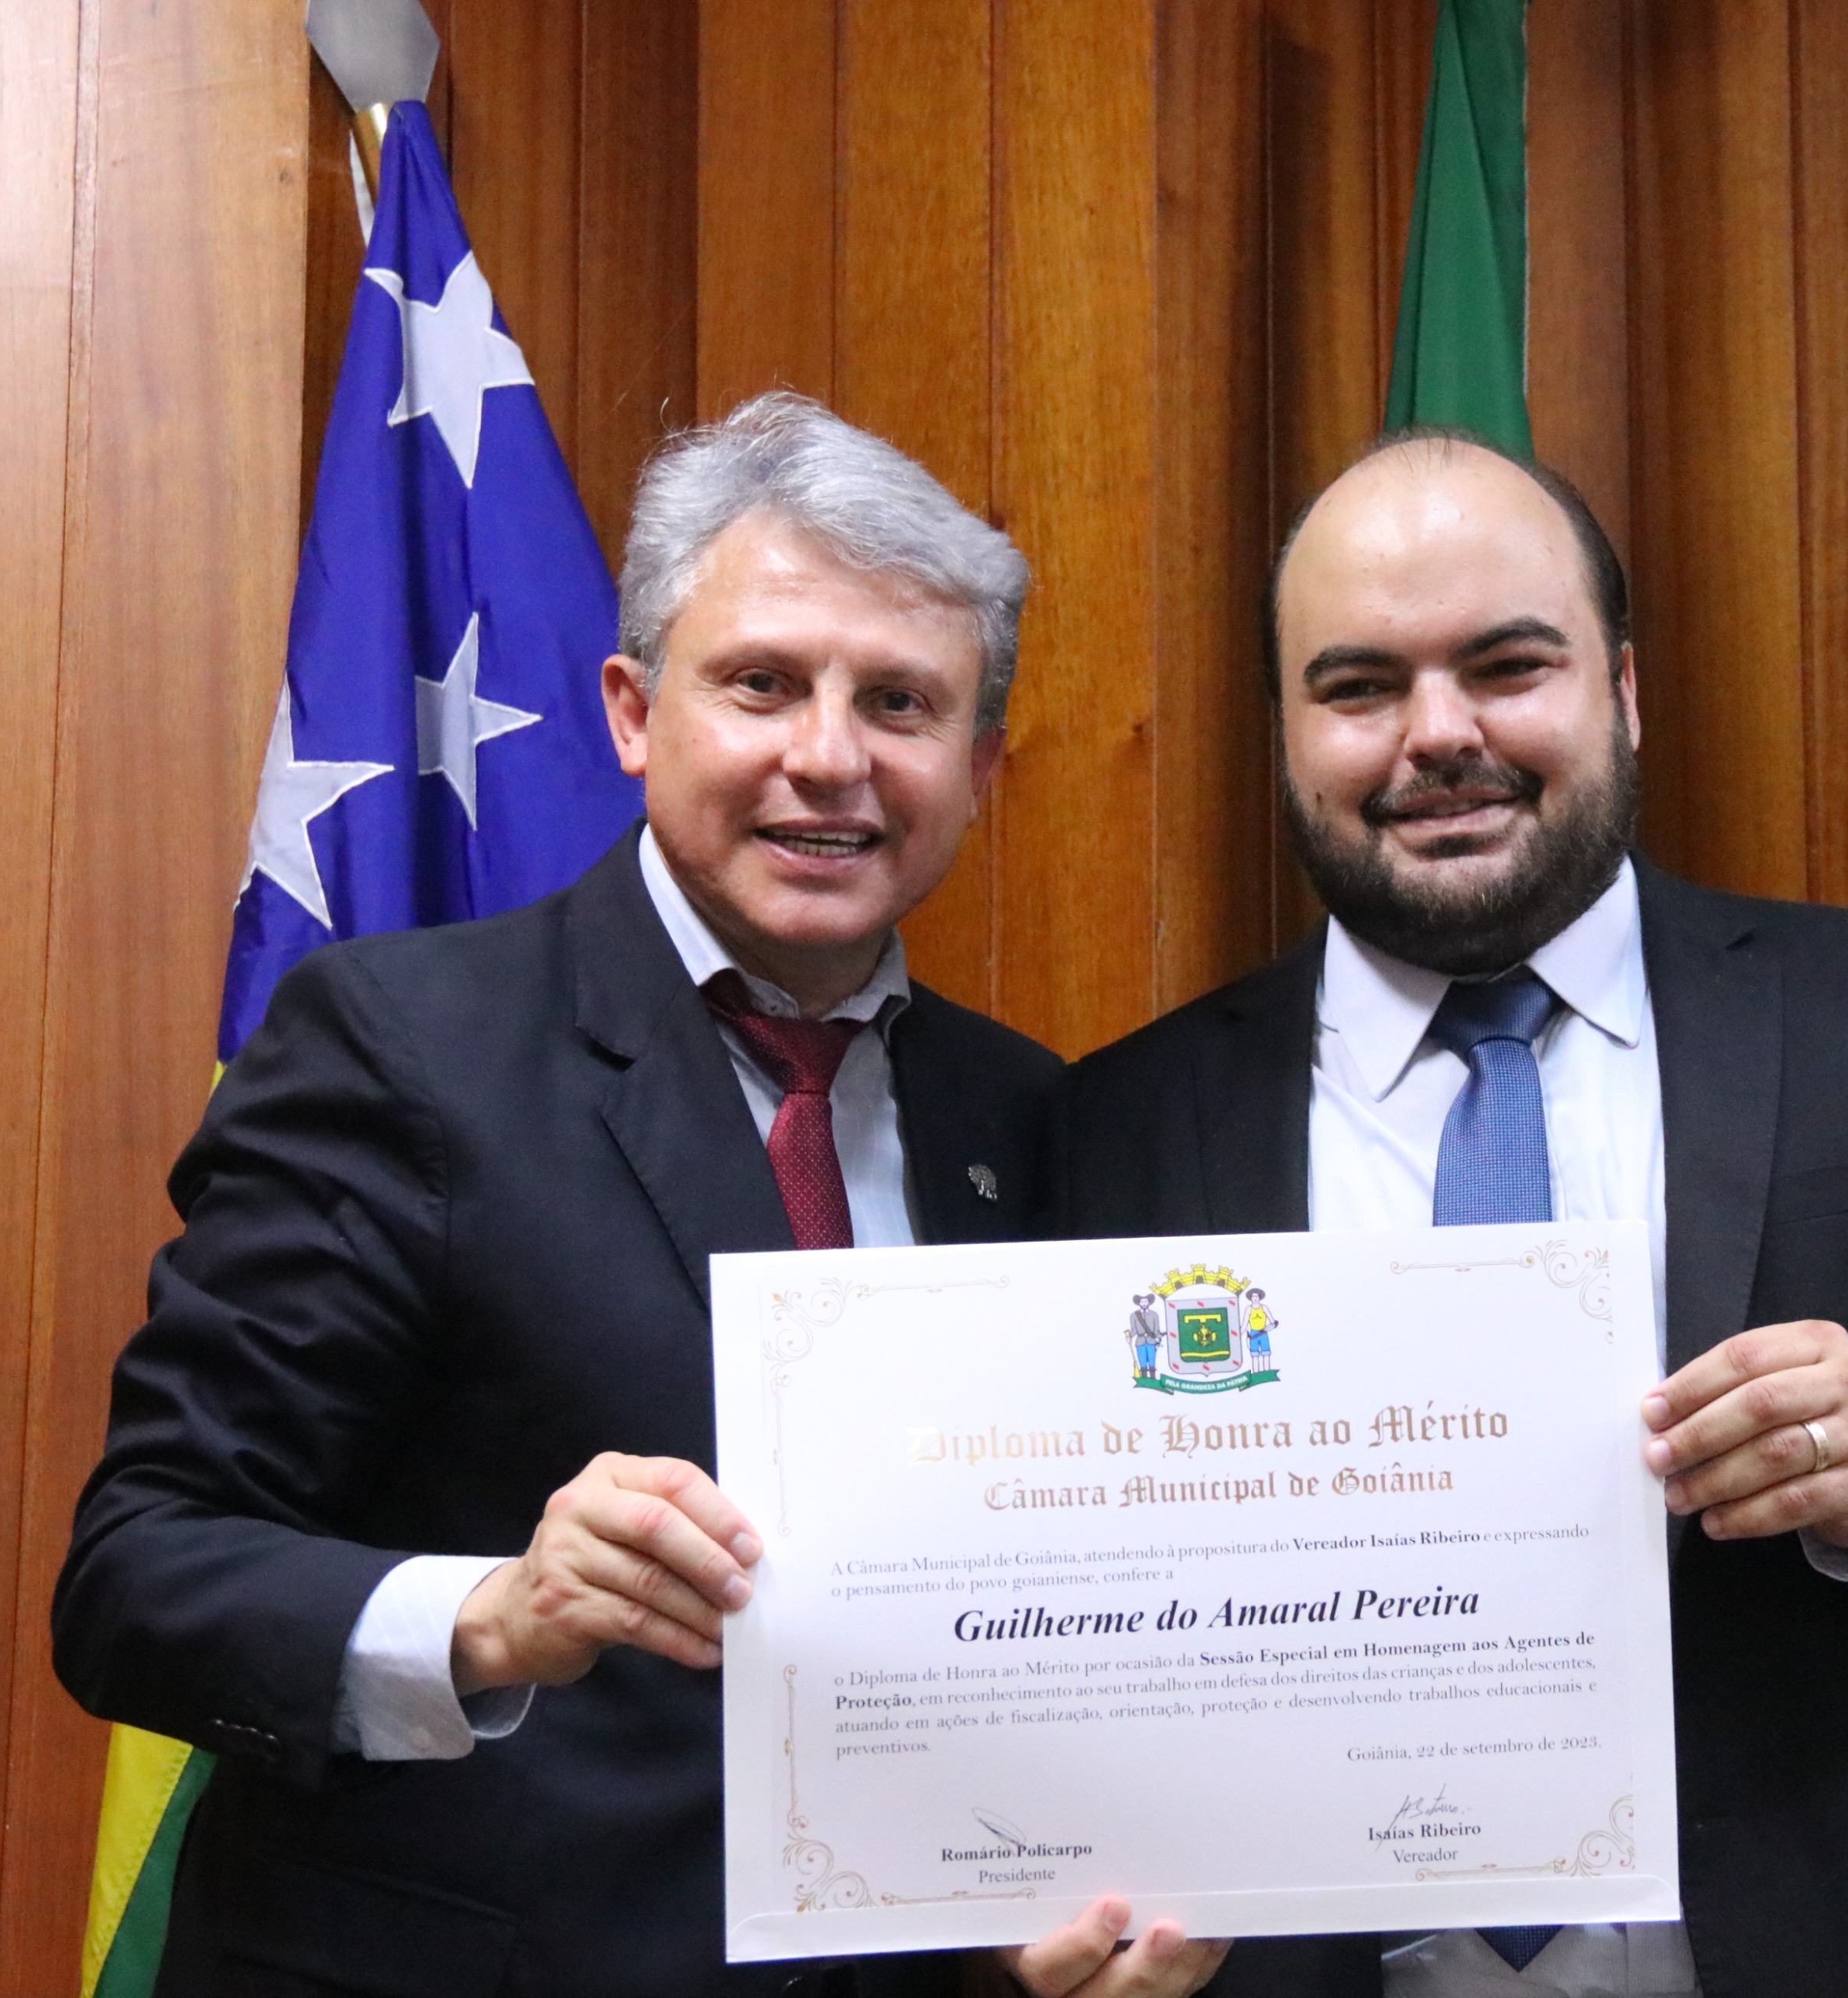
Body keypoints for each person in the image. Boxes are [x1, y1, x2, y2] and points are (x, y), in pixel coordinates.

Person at [1046, 431, 1848, 1998]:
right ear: (1287, 735)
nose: (1439, 733)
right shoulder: (1121, 1123)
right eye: (1358, 687)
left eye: (1507, 665)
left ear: (1620, 691)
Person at [54, 394, 1097, 1998]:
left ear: (978, 766)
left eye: (899, 701)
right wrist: (491, 1615)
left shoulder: (1030, 1117)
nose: (829, 756)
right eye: (762, 683)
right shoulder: (401, 1048)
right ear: (631, 712)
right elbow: (140, 1573)